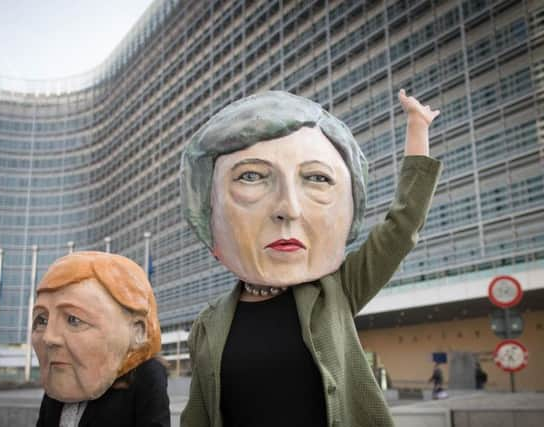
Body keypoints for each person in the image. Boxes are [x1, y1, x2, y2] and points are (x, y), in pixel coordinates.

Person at [179, 89, 442, 427]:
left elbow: (401, 227)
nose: (289, 208)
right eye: (252, 176)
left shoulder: (339, 292)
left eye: (316, 178)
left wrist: (417, 129)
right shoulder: (207, 324)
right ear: (208, 218)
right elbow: (199, 413)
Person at [32, 251, 170, 427]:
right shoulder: (59, 373)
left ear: (137, 331)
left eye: (74, 319)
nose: (49, 338)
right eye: (42, 320)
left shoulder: (145, 375)